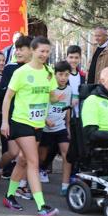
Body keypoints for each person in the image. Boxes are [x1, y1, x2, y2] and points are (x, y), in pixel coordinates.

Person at [0, 36, 60, 216]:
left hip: (38, 124)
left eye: (48, 52)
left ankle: (9, 196)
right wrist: (4, 122)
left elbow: (51, 96)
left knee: (24, 160)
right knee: (34, 161)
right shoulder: (21, 72)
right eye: (41, 51)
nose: (45, 55)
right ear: (33, 51)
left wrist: (60, 97)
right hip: (21, 122)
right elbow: (8, 98)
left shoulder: (49, 72)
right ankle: (42, 207)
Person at [0, 36, 33, 192]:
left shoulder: (40, 70)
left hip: (31, 119)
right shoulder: (10, 68)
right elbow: (3, 93)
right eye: (16, 49)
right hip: (12, 116)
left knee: (26, 155)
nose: (18, 52)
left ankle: (22, 185)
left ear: (31, 50)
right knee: (13, 152)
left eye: (21, 49)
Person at [38, 61, 72, 195]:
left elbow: (67, 109)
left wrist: (68, 127)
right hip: (45, 127)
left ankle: (65, 186)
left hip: (60, 128)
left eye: (67, 75)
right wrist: (46, 120)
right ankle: (39, 171)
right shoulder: (48, 88)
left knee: (67, 154)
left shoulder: (69, 89)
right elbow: (39, 105)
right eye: (61, 74)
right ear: (55, 74)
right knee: (41, 156)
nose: (63, 78)